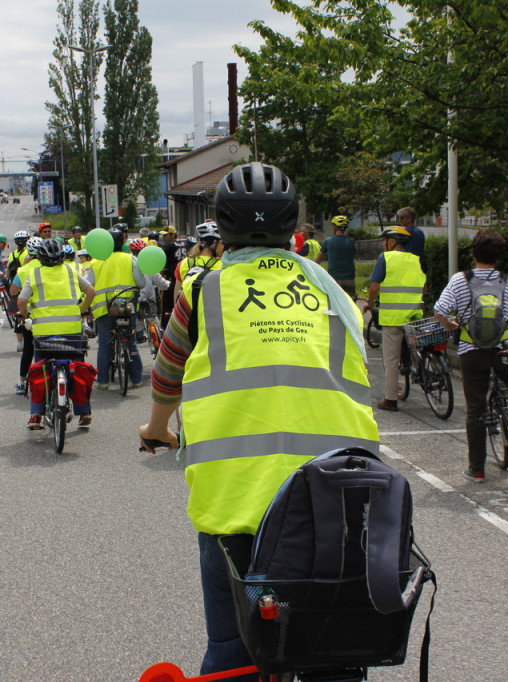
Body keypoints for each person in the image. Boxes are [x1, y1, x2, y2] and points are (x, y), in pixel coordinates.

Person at [139, 162, 379, 680]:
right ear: (293, 228)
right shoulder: (334, 299)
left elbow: (166, 377)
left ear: (221, 229)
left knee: (234, 655)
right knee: (332, 653)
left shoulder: (203, 293)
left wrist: (157, 429)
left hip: (237, 506)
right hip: (339, 496)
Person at [433, 228, 508, 481]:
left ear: (474, 253)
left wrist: (451, 326)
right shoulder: (507, 281)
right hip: (506, 350)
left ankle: (477, 468)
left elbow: (439, 310)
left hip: (472, 352)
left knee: (476, 410)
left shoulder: (461, 280)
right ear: (499, 255)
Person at [17, 239, 96, 429]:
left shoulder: (34, 273)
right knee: (77, 369)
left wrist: (27, 317)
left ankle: (36, 415)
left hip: (44, 335)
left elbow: (21, 301)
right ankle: (84, 413)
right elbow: (91, 291)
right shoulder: (70, 270)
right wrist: (82, 310)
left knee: (40, 370)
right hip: (72, 333)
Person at [363, 226, 426, 412]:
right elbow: (424, 288)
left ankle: (390, 400)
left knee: (391, 360)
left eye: (386, 240)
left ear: (394, 241)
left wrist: (371, 303)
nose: (384, 244)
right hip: (414, 316)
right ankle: (426, 373)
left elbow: (374, 287)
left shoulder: (386, 258)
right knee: (416, 349)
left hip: (392, 318)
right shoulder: (417, 260)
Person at [88, 227, 147, 390]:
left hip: (104, 310)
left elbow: (88, 285)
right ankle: (136, 379)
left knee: (105, 344)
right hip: (127, 307)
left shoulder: (95, 262)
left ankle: (103, 381)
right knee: (131, 341)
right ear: (122, 242)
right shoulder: (130, 259)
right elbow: (141, 283)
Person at [10, 236, 45, 395]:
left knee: (28, 349)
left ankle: (22, 382)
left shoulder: (23, 270)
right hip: (46, 313)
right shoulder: (49, 267)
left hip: (28, 314)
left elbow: (12, 291)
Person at [319, 214, 359, 299]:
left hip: (334, 279)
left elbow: (317, 261)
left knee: (334, 305)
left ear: (335, 227)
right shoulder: (351, 241)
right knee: (350, 305)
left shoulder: (328, 241)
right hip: (349, 279)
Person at [7, 230, 32, 352]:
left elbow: (8, 270)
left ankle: (20, 342)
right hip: (27, 287)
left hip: (16, 286)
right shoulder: (29, 253)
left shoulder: (12, 254)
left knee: (19, 316)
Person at [157, 225, 180, 324]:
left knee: (166, 304)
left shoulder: (168, 246)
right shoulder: (185, 243)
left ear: (172, 235)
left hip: (170, 278)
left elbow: (160, 259)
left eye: (166, 235)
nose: (164, 237)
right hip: (183, 277)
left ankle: (165, 325)